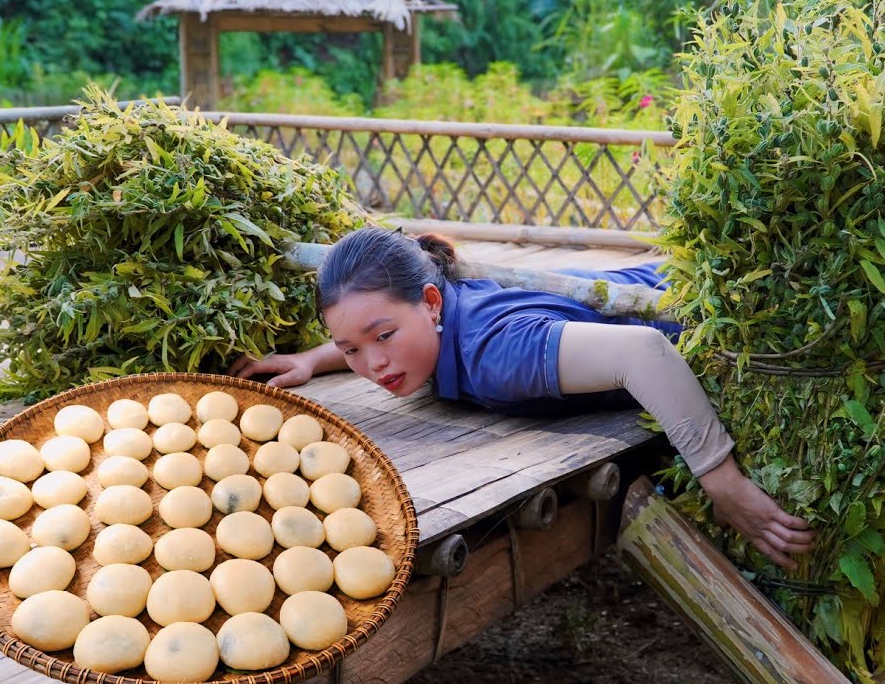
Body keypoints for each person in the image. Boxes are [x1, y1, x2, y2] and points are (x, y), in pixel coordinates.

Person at [227, 227, 813, 569]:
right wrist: (312, 357)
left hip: (741, 318)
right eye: (350, 349)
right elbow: (373, 336)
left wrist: (723, 481)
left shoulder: (494, 353)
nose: (372, 365)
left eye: (382, 338)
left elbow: (645, 355)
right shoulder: (430, 325)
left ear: (433, 303)